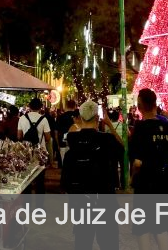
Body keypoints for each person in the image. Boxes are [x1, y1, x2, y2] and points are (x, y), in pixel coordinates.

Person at [61, 100, 123, 250]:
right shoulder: (107, 140)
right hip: (105, 200)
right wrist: (109, 125)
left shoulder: (72, 145)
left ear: (80, 118)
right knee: (109, 243)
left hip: (81, 202)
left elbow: (65, 183)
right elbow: (122, 150)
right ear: (97, 118)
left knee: (82, 242)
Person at [130, 89, 168, 250]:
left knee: (143, 230)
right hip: (166, 186)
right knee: (161, 230)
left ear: (139, 106)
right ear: (155, 104)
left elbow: (137, 162)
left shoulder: (139, 129)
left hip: (145, 186)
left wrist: (133, 176)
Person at [18, 97, 53, 197]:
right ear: (40, 107)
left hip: (26, 153)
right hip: (40, 153)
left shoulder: (22, 118)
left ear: (29, 106)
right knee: (40, 181)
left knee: (26, 180)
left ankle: (26, 204)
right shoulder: (44, 119)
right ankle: (39, 204)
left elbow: (19, 136)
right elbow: (48, 138)